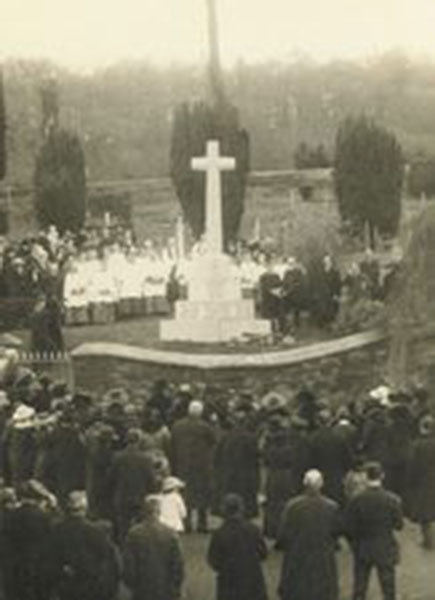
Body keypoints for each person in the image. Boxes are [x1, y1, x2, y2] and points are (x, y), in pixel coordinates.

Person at [277, 469, 342, 600]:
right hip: (322, 553)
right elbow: (336, 531)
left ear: (304, 484)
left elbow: (284, 533)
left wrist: (283, 545)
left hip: (298, 553)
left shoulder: (292, 506)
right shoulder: (332, 507)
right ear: (321, 484)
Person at [345, 462, 403, 600]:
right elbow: (399, 525)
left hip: (363, 546)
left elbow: (348, 526)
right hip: (385, 546)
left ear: (365, 478)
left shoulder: (356, 500)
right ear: (382, 476)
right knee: (388, 588)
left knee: (360, 587)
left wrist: (354, 544)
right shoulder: (393, 499)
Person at [50, 490, 120, 600]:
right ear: (85, 509)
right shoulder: (95, 531)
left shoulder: (56, 529)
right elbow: (108, 561)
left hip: (64, 585)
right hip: (89, 587)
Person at [123, 494, 184, 600]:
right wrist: (176, 586)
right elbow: (178, 564)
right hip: (166, 587)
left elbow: (129, 564)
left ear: (143, 512)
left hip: (142, 587)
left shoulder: (134, 534)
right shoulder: (170, 533)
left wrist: (131, 584)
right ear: (159, 512)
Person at [207, 493, 268, 600]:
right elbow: (263, 553)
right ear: (241, 508)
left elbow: (213, 560)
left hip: (228, 583)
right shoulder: (253, 530)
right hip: (253, 580)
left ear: (224, 510)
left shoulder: (219, 533)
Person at [170, 400, 217, 532]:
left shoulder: (177, 426)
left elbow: (172, 445)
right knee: (202, 495)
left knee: (186, 495)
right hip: (202, 465)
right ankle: (202, 524)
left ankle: (186, 523)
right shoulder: (205, 427)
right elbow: (214, 441)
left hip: (183, 464)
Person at [109, 428, 157, 542]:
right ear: (139, 441)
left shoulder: (117, 457)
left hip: (122, 496)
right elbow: (151, 479)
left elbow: (111, 478)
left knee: (123, 527)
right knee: (141, 527)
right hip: (140, 496)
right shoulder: (146, 459)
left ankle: (124, 549)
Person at [405, 415, 435, 549]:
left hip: (425, 481)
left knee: (426, 515)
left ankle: (428, 541)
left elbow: (412, 465)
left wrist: (410, 481)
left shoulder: (417, 445)